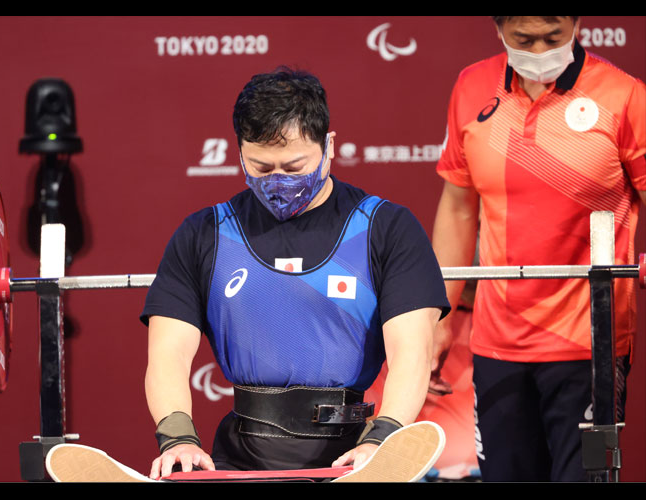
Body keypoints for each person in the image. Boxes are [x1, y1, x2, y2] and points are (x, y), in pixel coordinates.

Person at [140, 67, 450, 479]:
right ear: (239, 154)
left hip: (356, 456)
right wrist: (177, 437)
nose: (278, 181)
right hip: (238, 460)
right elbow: (169, 352)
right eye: (262, 168)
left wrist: (382, 439)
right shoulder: (204, 234)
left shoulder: (386, 228)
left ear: (329, 145)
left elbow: (411, 351)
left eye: (294, 165)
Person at [430, 16, 646, 482]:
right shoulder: (471, 86)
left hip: (588, 342)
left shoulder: (624, 95)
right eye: (523, 39)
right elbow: (459, 211)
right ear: (497, 27)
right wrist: (440, 318)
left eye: (553, 37)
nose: (540, 50)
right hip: (496, 342)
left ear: (576, 22)